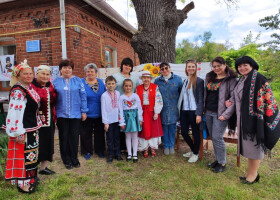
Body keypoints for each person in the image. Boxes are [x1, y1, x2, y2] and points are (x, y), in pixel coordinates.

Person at [226, 56, 280, 184]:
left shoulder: (258, 78)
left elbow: (267, 99)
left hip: (255, 119)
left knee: (255, 148)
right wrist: (230, 101)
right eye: (239, 66)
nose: (242, 68)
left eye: (245, 65)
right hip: (243, 119)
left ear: (252, 65)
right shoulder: (242, 80)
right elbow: (236, 96)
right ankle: (251, 173)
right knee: (249, 148)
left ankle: (253, 175)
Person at [5, 60, 42, 193]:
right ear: (18, 76)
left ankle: (31, 179)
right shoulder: (18, 91)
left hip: (32, 128)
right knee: (25, 157)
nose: (29, 76)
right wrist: (19, 132)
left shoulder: (28, 88)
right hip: (24, 130)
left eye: (30, 73)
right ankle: (23, 184)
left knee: (32, 155)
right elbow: (15, 114)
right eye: (25, 74)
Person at [52, 59, 88, 169]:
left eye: (69, 68)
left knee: (74, 137)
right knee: (64, 137)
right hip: (61, 114)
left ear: (72, 69)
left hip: (76, 114)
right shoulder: (55, 82)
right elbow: (52, 98)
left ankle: (74, 158)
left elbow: (83, 96)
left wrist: (84, 111)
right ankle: (66, 159)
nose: (67, 70)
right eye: (64, 67)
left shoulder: (78, 81)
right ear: (60, 70)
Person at [204, 56, 238, 173]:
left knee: (217, 137)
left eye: (219, 66)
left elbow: (234, 99)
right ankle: (218, 160)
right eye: (214, 66)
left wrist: (226, 114)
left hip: (221, 114)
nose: (217, 68)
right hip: (208, 112)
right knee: (213, 137)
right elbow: (205, 94)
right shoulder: (209, 77)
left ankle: (222, 163)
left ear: (224, 65)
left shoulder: (232, 79)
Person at [31, 65, 56, 175]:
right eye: (43, 74)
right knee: (36, 144)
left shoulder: (51, 86)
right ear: (37, 74)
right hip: (34, 121)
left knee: (47, 143)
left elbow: (54, 101)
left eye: (47, 74)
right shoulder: (31, 86)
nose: (45, 76)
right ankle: (32, 168)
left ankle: (43, 168)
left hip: (49, 119)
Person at [177, 59, 204, 163]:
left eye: (193, 66)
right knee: (183, 132)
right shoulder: (185, 81)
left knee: (195, 133)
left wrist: (199, 113)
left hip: (194, 111)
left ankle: (195, 153)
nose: (191, 68)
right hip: (184, 110)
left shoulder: (199, 81)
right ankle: (193, 150)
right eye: (189, 66)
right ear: (186, 68)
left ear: (196, 68)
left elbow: (201, 98)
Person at [154, 62, 183, 155]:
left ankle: (171, 145)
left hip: (174, 108)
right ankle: (166, 145)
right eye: (162, 69)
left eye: (166, 68)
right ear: (160, 71)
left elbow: (181, 94)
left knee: (172, 128)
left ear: (170, 68)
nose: (165, 70)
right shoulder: (157, 81)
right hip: (163, 109)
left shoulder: (178, 79)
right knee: (164, 128)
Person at [114, 57, 139, 153]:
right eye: (125, 65)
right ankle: (121, 148)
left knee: (130, 126)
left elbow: (137, 89)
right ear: (122, 65)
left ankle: (132, 148)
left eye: (129, 66)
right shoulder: (116, 76)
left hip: (131, 107)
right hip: (119, 105)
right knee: (121, 125)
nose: (127, 67)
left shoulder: (134, 78)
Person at [80, 63, 106, 159]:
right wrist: (83, 112)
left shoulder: (100, 82)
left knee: (99, 133)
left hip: (99, 112)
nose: (90, 73)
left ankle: (100, 150)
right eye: (88, 71)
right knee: (86, 133)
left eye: (92, 71)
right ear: (85, 72)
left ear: (96, 73)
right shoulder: (81, 82)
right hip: (86, 113)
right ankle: (87, 151)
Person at [136, 71, 163, 157]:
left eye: (148, 78)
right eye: (144, 78)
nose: (146, 79)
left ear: (151, 79)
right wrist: (138, 113)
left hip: (152, 111)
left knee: (153, 130)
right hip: (142, 111)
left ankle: (152, 148)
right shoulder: (138, 88)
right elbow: (136, 101)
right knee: (144, 129)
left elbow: (159, 100)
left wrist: (156, 112)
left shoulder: (155, 87)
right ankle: (145, 149)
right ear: (142, 79)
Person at [119, 79, 143, 163]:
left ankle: (135, 154)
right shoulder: (121, 97)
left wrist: (140, 119)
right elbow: (120, 110)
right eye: (126, 86)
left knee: (135, 135)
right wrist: (122, 122)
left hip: (134, 117)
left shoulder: (135, 96)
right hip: (126, 118)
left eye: (129, 86)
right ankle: (129, 153)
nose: (128, 87)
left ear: (132, 87)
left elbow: (139, 108)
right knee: (127, 136)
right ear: (123, 87)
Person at [101, 76, 122, 163]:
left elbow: (120, 107)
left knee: (117, 138)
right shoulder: (104, 95)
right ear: (106, 85)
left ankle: (117, 154)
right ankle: (110, 155)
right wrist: (105, 122)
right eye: (109, 84)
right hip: (109, 121)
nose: (111, 85)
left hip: (117, 120)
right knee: (109, 139)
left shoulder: (118, 93)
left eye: (112, 83)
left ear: (115, 84)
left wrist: (121, 120)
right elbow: (103, 109)